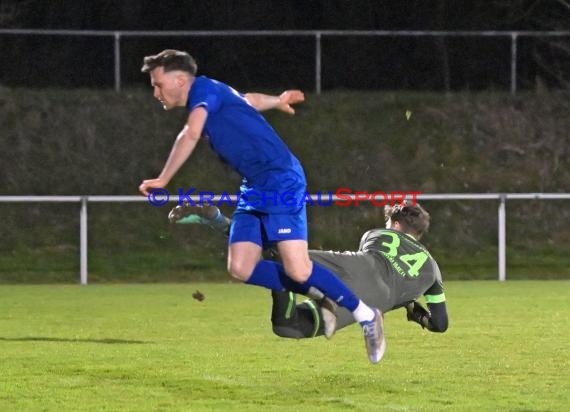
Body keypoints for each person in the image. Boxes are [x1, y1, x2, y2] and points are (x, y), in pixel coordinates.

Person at [138, 49, 384, 363]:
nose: (155, 92)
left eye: (158, 84)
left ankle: (366, 315)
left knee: (298, 269)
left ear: (180, 80)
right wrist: (278, 100)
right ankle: (317, 291)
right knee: (240, 267)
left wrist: (162, 179)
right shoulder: (216, 92)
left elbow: (191, 132)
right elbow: (250, 100)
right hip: (254, 186)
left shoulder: (204, 93)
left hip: (281, 180)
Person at [169, 202, 449, 357]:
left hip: (354, 265)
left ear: (397, 226)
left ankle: (218, 219)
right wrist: (416, 313)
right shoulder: (433, 271)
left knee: (279, 253)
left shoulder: (377, 234)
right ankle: (286, 286)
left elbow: (382, 260)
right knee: (287, 327)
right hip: (376, 299)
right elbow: (441, 324)